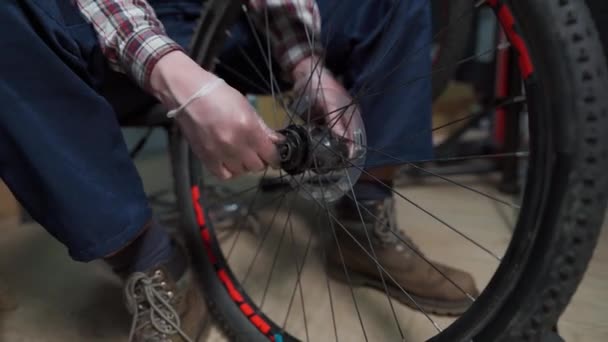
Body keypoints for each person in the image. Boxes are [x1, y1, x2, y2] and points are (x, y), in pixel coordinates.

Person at [0, 0, 478, 341]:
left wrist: (308, 65)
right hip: (103, 28)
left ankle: (365, 220)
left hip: (235, 20)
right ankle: (153, 264)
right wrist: (174, 73)